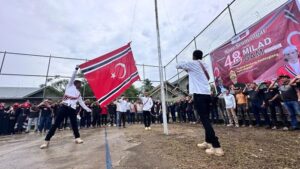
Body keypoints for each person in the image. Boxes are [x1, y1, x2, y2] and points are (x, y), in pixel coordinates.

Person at [176, 50, 224, 156]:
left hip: (199, 95)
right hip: (207, 95)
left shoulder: (193, 63)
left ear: (193, 56)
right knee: (206, 118)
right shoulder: (205, 64)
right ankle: (207, 142)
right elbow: (196, 73)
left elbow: (177, 65)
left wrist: (186, 63)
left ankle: (217, 147)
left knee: (205, 120)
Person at [40, 66, 92, 149]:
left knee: (74, 124)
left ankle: (77, 138)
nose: (81, 85)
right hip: (64, 107)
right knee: (56, 124)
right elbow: (73, 77)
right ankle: (46, 141)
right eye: (80, 83)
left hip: (72, 109)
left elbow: (82, 103)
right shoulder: (70, 86)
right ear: (75, 83)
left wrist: (88, 109)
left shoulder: (78, 93)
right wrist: (76, 69)